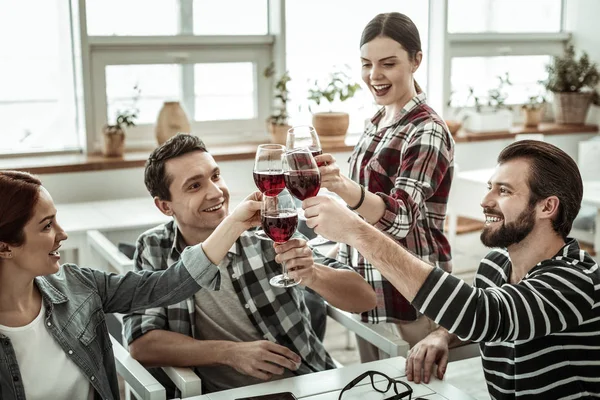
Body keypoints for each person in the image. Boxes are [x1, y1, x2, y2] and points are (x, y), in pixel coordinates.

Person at [304, 140, 600, 399]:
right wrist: (443, 334)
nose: (485, 201)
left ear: (547, 207)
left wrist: (358, 231)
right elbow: (493, 319)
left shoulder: (575, 281)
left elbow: (483, 315)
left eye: (504, 191)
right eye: (490, 188)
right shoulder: (494, 267)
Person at [122, 133, 376, 394]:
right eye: (194, 186)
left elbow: (365, 299)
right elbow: (142, 343)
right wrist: (230, 352)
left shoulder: (267, 229)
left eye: (215, 176)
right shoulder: (155, 247)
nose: (215, 192)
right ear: (165, 206)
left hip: (304, 384)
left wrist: (312, 274)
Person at [0, 170, 269, 400]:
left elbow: (169, 283)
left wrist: (234, 222)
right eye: (47, 226)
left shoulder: (77, 286)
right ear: (4, 247)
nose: (62, 234)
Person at [315, 11, 454, 362]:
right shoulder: (378, 120)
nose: (374, 76)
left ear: (415, 61)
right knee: (375, 382)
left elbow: (401, 217)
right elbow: (360, 204)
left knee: (411, 385)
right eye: (366, 64)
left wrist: (347, 190)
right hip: (365, 276)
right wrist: (336, 184)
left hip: (408, 285)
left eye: (388, 64)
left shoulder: (428, 130)